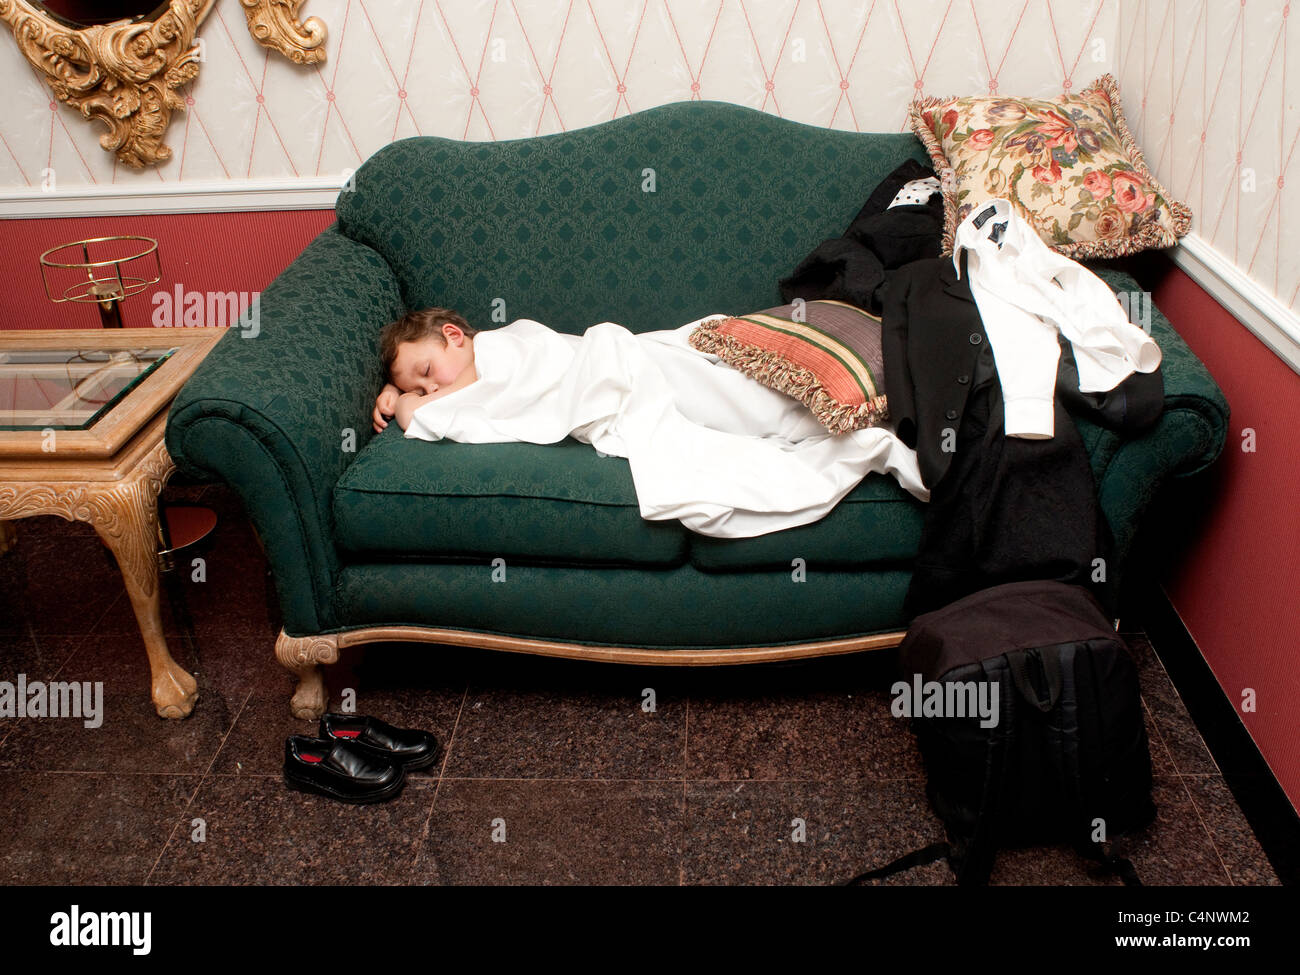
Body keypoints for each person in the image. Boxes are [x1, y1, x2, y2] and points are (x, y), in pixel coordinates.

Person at [372, 308, 480, 433]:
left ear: (453, 335)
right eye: (422, 393)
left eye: (426, 371)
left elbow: (410, 413)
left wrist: (404, 398)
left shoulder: (493, 349)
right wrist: (394, 389)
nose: (430, 391)